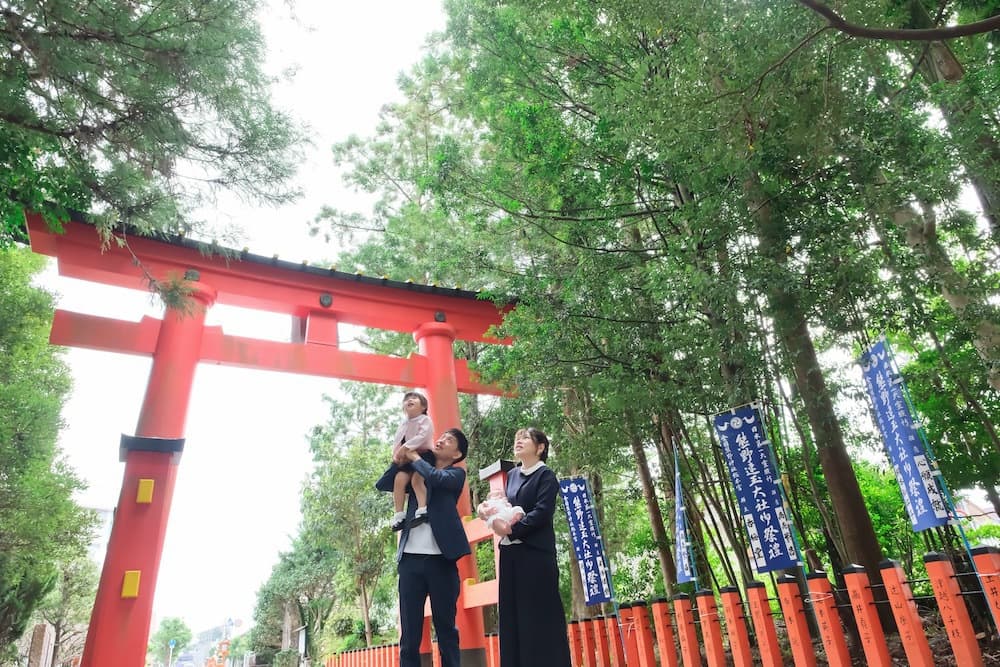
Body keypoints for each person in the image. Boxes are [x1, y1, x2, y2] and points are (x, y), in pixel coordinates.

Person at [375, 427, 471, 667]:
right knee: (409, 632)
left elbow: (437, 478)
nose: (441, 440)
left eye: (449, 440)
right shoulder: (416, 467)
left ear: (457, 454)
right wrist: (403, 454)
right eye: (441, 437)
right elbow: (385, 483)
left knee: (446, 629)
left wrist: (416, 458)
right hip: (410, 560)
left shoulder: (456, 474)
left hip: (442, 560)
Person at [482, 427, 572, 667]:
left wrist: (512, 529)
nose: (518, 441)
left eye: (525, 438)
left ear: (540, 447)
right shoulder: (512, 475)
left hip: (536, 556)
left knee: (538, 617)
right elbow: (507, 506)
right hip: (511, 554)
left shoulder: (546, 476)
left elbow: (542, 513)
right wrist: (489, 512)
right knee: (512, 618)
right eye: (517, 438)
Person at [389, 391, 434, 531]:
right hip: (406, 458)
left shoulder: (425, 420)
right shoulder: (403, 423)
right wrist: (396, 454)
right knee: (399, 480)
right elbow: (397, 439)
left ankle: (422, 509)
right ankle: (399, 515)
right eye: (406, 399)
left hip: (423, 455)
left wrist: (405, 448)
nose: (409, 400)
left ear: (423, 407)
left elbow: (422, 436)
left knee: (416, 480)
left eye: (414, 398)